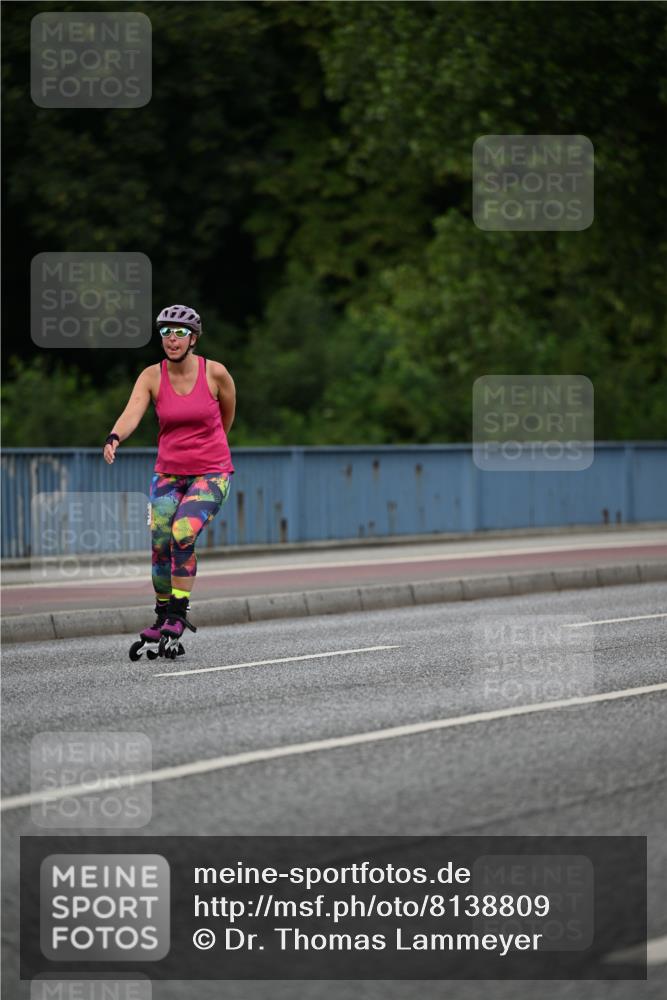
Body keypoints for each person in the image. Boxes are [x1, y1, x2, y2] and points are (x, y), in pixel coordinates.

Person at [103, 304, 235, 656]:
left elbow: (227, 415)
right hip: (169, 473)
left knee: (182, 532)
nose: (171, 339)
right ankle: (162, 614)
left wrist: (213, 449)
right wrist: (114, 437)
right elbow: (133, 411)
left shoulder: (215, 373)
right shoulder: (151, 376)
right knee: (160, 539)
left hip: (212, 473)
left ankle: (179, 612)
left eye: (179, 332)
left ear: (193, 338)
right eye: (165, 332)